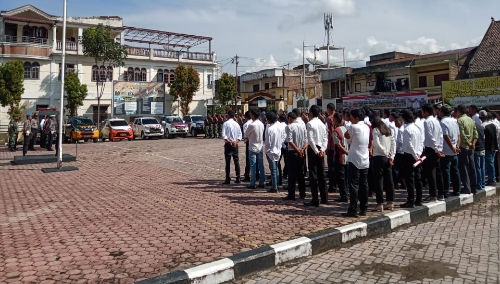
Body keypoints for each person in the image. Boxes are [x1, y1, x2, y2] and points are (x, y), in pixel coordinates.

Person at [342, 108, 370, 217]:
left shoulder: (353, 127)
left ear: (356, 118)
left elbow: (348, 140)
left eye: (351, 117)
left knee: (353, 185)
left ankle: (353, 209)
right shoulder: (367, 127)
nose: (350, 119)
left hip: (354, 158)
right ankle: (364, 207)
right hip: (365, 158)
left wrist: (346, 136)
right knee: (364, 184)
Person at [370, 113, 396, 212]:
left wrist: (385, 152)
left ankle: (379, 203)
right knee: (389, 180)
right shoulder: (389, 130)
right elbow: (393, 143)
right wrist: (391, 155)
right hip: (388, 158)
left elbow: (377, 144)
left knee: (379, 181)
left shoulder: (375, 130)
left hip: (379, 157)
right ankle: (390, 202)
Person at [304, 105, 328, 207]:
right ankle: (324, 197)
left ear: (311, 113)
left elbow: (310, 139)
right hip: (321, 148)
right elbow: (325, 138)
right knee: (321, 174)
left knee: (313, 174)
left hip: (314, 150)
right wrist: (322, 149)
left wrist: (316, 151)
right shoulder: (322, 124)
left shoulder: (310, 123)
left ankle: (315, 199)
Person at [400, 110, 424, 208]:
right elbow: (421, 142)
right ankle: (419, 199)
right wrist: (419, 153)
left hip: (410, 156)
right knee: (417, 178)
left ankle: (411, 200)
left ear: (404, 118)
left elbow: (409, 145)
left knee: (410, 179)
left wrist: (415, 155)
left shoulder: (407, 129)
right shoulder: (417, 128)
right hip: (417, 155)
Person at [421, 103, 445, 202]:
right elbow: (440, 136)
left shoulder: (427, 122)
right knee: (438, 172)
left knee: (431, 172)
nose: (422, 114)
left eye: (422, 112)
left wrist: (436, 149)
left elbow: (430, 138)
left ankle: (433, 195)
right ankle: (440, 193)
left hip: (431, 149)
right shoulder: (436, 121)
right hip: (437, 149)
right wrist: (440, 149)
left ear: (426, 112)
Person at [283, 112, 308, 200]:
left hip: (293, 152)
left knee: (292, 174)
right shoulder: (303, 126)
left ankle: (292, 194)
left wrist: (297, 150)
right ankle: (302, 193)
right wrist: (302, 150)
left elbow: (290, 141)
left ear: (290, 118)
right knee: (301, 173)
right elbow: (306, 140)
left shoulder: (290, 127)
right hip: (301, 151)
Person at [439, 105, 461, 198]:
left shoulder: (443, 122)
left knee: (446, 172)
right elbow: (459, 135)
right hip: (455, 150)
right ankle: (457, 190)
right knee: (455, 171)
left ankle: (446, 191)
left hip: (447, 151)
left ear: (442, 112)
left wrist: (452, 148)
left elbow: (445, 136)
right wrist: (457, 146)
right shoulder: (454, 121)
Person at [456, 104, 478, 194]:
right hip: (471, 147)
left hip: (464, 146)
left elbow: (461, 134)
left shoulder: (460, 120)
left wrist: (468, 143)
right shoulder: (471, 120)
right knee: (472, 167)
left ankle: (467, 188)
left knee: (464, 167)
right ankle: (474, 188)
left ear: (459, 111)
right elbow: (475, 134)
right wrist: (472, 143)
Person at [265, 111, 285, 193]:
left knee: (273, 169)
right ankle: (276, 184)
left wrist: (267, 150)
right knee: (276, 168)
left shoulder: (270, 129)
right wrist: (280, 144)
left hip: (271, 150)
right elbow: (284, 137)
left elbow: (268, 142)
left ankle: (275, 186)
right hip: (278, 149)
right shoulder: (280, 126)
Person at [245, 108, 265, 189]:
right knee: (261, 165)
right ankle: (261, 182)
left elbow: (246, 134)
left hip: (253, 146)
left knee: (253, 165)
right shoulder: (261, 123)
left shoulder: (252, 125)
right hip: (260, 146)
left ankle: (252, 183)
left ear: (253, 115)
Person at [221, 110, 242, 185]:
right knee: (236, 161)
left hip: (228, 144)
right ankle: (238, 177)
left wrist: (229, 141)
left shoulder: (226, 124)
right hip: (235, 144)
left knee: (228, 162)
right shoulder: (237, 124)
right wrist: (235, 142)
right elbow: (240, 135)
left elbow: (223, 135)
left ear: (228, 115)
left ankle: (227, 178)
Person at [332, 112, 349, 203]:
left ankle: (344, 195)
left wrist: (345, 152)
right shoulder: (345, 129)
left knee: (341, 177)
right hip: (346, 156)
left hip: (340, 156)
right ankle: (346, 193)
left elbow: (337, 144)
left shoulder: (336, 131)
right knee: (345, 177)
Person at [481, 110, 498, 186]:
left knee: (489, 164)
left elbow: (483, 138)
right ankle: (492, 178)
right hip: (494, 147)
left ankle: (492, 179)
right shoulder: (493, 125)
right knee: (491, 163)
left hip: (487, 147)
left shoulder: (483, 126)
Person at [326, 103, 337, 193]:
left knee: (331, 166)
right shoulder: (340, 118)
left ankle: (332, 185)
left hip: (331, 144)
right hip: (338, 145)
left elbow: (330, 132)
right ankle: (336, 184)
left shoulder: (329, 119)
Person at [277, 114, 288, 185]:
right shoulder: (287, 126)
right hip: (287, 145)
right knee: (287, 161)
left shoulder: (279, 126)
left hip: (281, 145)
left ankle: (279, 178)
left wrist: (282, 145)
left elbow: (279, 137)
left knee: (278, 162)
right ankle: (285, 174)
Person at [242, 111, 252, 182]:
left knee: (248, 159)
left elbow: (246, 135)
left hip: (249, 142)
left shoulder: (246, 124)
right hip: (257, 142)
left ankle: (247, 175)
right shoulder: (257, 123)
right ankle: (257, 175)